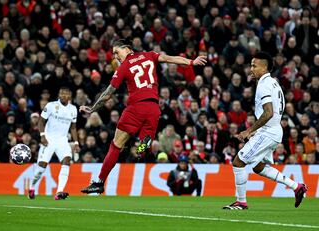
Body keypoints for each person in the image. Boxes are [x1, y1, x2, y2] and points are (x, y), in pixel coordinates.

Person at [80, 39, 206, 194]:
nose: (115, 57)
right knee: (143, 148)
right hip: (153, 108)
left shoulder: (124, 67)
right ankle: (143, 147)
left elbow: (108, 93)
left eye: (116, 52)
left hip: (136, 107)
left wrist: (93, 108)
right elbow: (170, 58)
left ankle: (99, 182)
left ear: (126, 49)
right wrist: (192, 61)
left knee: (116, 145)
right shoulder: (149, 55)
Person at [223, 52, 308, 210]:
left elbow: (268, 113)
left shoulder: (264, 85)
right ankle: (296, 186)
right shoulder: (274, 83)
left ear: (265, 67)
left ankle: (241, 202)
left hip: (268, 131)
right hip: (274, 131)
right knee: (258, 167)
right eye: (251, 65)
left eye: (254, 65)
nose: (251, 69)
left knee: (238, 162)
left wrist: (249, 131)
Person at [28, 87, 79, 200]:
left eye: (66, 94)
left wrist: (76, 142)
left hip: (62, 140)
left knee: (66, 161)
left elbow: (73, 127)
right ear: (59, 95)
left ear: (70, 96)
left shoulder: (73, 109)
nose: (64, 95)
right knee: (41, 168)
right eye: (62, 93)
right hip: (49, 139)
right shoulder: (51, 105)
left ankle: (59, 192)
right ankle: (32, 187)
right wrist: (42, 136)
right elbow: (41, 121)